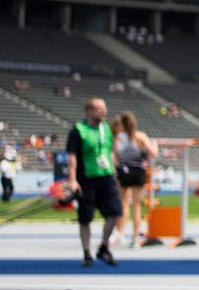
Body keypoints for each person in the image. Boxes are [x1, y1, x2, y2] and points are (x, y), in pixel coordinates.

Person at [65, 98, 122, 268]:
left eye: (104, 108)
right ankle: (86, 252)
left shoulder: (106, 128)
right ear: (89, 111)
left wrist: (114, 169)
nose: (103, 112)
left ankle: (103, 247)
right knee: (85, 218)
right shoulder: (78, 130)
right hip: (86, 179)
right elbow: (72, 156)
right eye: (99, 109)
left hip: (106, 177)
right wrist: (73, 180)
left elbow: (109, 150)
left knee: (115, 212)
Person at [114, 112, 158, 248]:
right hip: (138, 171)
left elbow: (115, 156)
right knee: (137, 205)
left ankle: (119, 234)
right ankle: (135, 237)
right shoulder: (140, 136)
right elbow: (153, 153)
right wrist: (154, 143)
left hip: (125, 171)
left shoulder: (118, 138)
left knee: (123, 203)